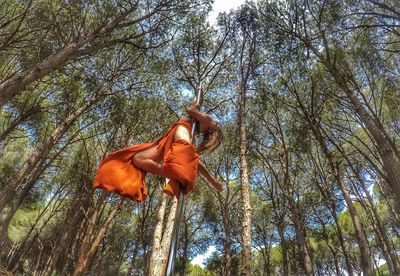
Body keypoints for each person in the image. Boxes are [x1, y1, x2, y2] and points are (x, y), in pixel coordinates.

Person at [93, 102, 223, 202]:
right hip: (169, 138)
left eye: (217, 125)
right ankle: (174, 175)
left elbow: (190, 110)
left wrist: (195, 105)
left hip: (180, 131)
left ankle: (185, 176)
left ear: (213, 129)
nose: (217, 123)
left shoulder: (206, 119)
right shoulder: (201, 125)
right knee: (138, 159)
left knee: (187, 154)